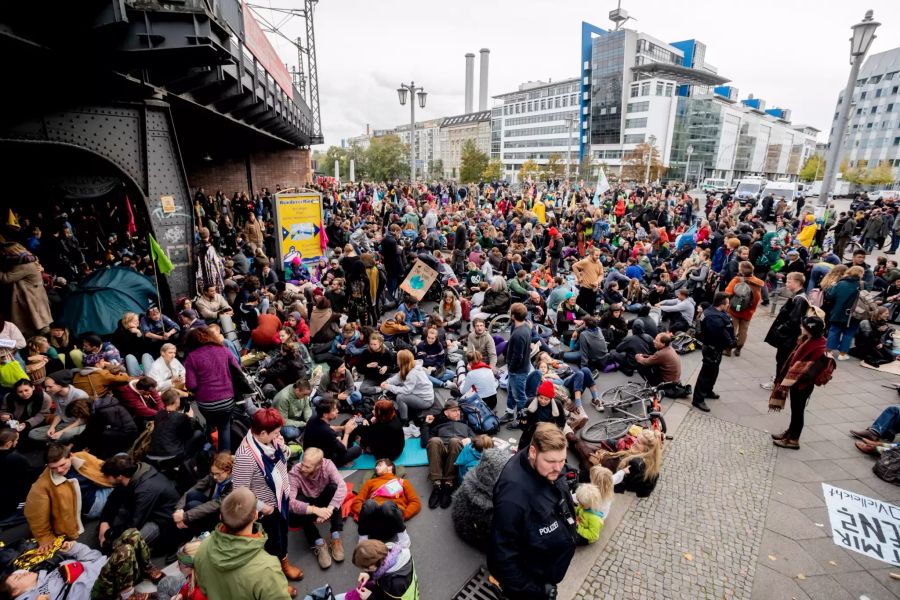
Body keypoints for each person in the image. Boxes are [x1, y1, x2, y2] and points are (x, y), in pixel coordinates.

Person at [489, 423, 576, 600]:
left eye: (562, 460)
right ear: (533, 452)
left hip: (547, 568)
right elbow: (502, 557)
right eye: (551, 462)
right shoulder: (512, 497)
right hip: (532, 584)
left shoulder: (544, 468)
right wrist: (535, 590)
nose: (558, 468)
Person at [232, 408, 303, 583]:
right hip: (268, 508)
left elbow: (284, 456)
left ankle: (284, 563)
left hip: (281, 500)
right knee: (272, 544)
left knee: (282, 536)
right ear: (263, 432)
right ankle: (275, 576)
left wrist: (282, 445)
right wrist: (263, 507)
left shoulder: (268, 441)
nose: (278, 435)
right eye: (276, 432)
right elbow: (239, 493)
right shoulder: (245, 456)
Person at [193, 488, 293, 600]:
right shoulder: (267, 568)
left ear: (221, 517)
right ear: (255, 516)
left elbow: (204, 588)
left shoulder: (203, 547)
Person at [0, 533, 161, 600]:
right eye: (17, 578)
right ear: (15, 592)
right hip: (97, 592)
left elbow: (96, 558)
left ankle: (146, 570)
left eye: (19, 573)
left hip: (108, 569)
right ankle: (129, 596)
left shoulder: (50, 572)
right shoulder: (34, 597)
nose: (22, 573)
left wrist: (74, 548)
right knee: (124, 551)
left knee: (132, 534)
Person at [24, 444, 112, 550]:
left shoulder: (82, 456)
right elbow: (35, 512)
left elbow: (102, 465)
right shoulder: (41, 485)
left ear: (70, 456)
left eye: (62, 465)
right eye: (53, 468)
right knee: (125, 483)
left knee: (121, 459)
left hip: (98, 488)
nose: (59, 470)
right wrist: (44, 537)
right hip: (94, 505)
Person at [770, 316, 831, 449]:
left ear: (810, 329)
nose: (801, 327)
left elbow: (811, 370)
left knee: (798, 412)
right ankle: (790, 433)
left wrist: (795, 379)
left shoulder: (818, 346)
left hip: (802, 384)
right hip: (797, 383)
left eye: (804, 326)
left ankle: (793, 440)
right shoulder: (809, 339)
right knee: (795, 410)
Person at [99, 454, 181, 552]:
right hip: (149, 511)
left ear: (119, 477)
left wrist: (112, 533)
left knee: (120, 548)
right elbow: (117, 503)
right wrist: (105, 523)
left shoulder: (145, 489)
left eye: (107, 476)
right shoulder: (134, 475)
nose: (105, 478)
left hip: (163, 519)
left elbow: (135, 522)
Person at [287, 447, 348, 570]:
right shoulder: (295, 473)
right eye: (303, 464)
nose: (303, 468)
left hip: (324, 501)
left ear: (319, 465)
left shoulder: (327, 465)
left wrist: (329, 509)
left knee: (334, 488)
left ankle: (335, 536)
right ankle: (318, 542)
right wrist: (315, 510)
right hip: (309, 505)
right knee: (298, 501)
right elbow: (290, 503)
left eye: (308, 467)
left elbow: (343, 486)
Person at [184, 326, 240, 452]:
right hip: (227, 400)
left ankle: (209, 448)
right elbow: (238, 370)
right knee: (224, 427)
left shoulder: (191, 358)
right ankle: (224, 457)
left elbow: (191, 385)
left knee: (209, 422)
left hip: (206, 404)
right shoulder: (223, 350)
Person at [423, 400, 475, 510]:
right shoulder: (439, 425)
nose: (458, 413)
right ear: (446, 413)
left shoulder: (465, 425)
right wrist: (426, 424)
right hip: (441, 453)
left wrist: (470, 439)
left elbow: (476, 439)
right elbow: (424, 443)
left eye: (459, 411)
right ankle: (437, 484)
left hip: (457, 452)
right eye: (454, 411)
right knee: (434, 441)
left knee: (455, 441)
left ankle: (448, 483)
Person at [762, 272, 810, 389]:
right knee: (783, 359)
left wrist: (779, 330)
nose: (787, 284)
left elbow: (793, 320)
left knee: (783, 360)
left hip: (789, 338)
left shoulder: (799, 299)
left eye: (789, 281)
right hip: (789, 336)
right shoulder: (798, 296)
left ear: (797, 282)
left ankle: (778, 383)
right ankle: (780, 379)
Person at [692, 293, 736, 412]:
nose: (728, 306)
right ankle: (698, 399)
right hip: (712, 348)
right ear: (721, 304)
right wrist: (731, 342)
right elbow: (721, 333)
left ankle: (707, 391)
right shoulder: (713, 317)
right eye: (727, 304)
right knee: (706, 373)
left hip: (715, 348)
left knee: (713, 370)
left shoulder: (712, 311)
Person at [173, 452, 234, 535]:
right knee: (192, 494)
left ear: (228, 471)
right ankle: (186, 525)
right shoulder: (215, 473)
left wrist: (184, 516)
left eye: (218, 474)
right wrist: (179, 509)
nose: (215, 477)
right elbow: (194, 489)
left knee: (192, 505)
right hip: (213, 503)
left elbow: (216, 504)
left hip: (222, 514)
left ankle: (192, 530)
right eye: (213, 473)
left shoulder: (234, 485)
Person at [337, 539, 418, 600]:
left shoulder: (395, 583)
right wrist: (369, 575)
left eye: (365, 568)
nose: (363, 570)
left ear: (372, 566)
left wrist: (370, 597)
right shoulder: (389, 551)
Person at [28, 370, 89, 443]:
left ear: (61, 384)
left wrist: (62, 432)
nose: (47, 390)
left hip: (79, 425)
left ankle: (56, 441)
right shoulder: (55, 394)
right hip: (65, 423)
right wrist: (52, 427)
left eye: (50, 387)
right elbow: (59, 413)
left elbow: (81, 420)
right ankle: (56, 440)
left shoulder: (79, 395)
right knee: (33, 433)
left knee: (66, 434)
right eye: (46, 387)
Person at [303, 398, 363, 467]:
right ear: (325, 414)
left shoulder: (314, 418)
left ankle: (343, 443)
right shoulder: (327, 432)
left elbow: (329, 427)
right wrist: (347, 432)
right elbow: (343, 450)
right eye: (334, 410)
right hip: (321, 461)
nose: (337, 411)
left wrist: (343, 427)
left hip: (310, 452)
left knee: (346, 425)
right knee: (357, 449)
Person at [380, 349, 435, 423]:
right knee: (397, 385)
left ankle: (403, 419)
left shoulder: (412, 374)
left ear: (402, 361)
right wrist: (387, 381)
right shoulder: (409, 365)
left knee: (400, 397)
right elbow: (398, 377)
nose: (397, 361)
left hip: (425, 400)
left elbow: (406, 390)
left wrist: (388, 387)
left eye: (398, 359)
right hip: (418, 392)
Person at [723, 260, 765, 356]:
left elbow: (728, 293)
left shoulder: (737, 280)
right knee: (743, 330)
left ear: (741, 270)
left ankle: (728, 349)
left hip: (734, 309)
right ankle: (738, 348)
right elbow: (758, 298)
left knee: (731, 329)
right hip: (748, 311)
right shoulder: (757, 283)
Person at [824, 265, 863, 361]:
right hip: (853, 314)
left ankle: (828, 352)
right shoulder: (861, 285)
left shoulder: (840, 283)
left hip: (838, 312)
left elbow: (829, 296)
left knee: (834, 331)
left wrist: (832, 287)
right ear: (860, 274)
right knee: (848, 334)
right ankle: (842, 354)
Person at [502, 303, 532, 425]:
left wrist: (511, 368)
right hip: (520, 368)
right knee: (511, 391)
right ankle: (509, 413)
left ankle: (521, 420)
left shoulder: (519, 334)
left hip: (518, 370)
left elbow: (517, 356)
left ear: (513, 316)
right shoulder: (525, 327)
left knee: (520, 397)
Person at [0, 429, 35, 528]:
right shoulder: (17, 459)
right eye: (16, 440)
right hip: (12, 500)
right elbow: (30, 477)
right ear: (9, 443)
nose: (17, 442)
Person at [572, 247, 604, 313]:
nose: (598, 257)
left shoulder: (599, 263)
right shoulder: (585, 261)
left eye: (599, 255)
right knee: (582, 306)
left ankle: (590, 319)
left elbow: (601, 275)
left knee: (592, 307)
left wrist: (597, 281)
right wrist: (579, 277)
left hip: (594, 289)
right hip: (585, 288)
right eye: (596, 255)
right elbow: (574, 266)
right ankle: (581, 320)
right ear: (591, 255)